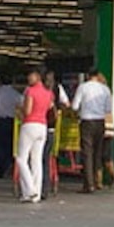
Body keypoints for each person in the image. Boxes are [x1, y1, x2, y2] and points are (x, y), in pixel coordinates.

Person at [15, 69, 54, 203]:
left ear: (37, 76)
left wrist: (19, 108)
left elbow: (27, 111)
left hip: (29, 125)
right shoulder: (49, 93)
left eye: (30, 75)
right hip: (42, 127)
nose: (28, 78)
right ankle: (35, 194)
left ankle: (30, 189)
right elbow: (49, 107)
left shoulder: (30, 91)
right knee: (36, 160)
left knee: (21, 159)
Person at [71, 68, 112, 193]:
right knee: (97, 153)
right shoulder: (105, 89)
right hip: (100, 122)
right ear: (97, 75)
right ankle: (96, 180)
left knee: (87, 153)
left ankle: (88, 184)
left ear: (88, 75)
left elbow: (74, 106)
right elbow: (108, 109)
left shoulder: (83, 87)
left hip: (87, 122)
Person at [40, 69, 71, 197]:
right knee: (47, 158)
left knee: (38, 158)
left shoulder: (35, 90)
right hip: (51, 128)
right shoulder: (58, 89)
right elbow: (67, 104)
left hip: (38, 127)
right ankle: (45, 187)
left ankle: (39, 187)